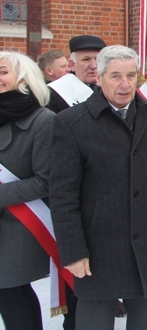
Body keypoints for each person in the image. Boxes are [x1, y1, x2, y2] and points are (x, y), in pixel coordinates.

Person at [49, 45, 147, 330]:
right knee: (94, 321)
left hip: (146, 239)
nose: (125, 85)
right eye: (116, 76)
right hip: (98, 245)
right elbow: (63, 196)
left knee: (143, 320)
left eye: (131, 76)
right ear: (99, 76)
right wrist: (73, 250)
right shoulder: (72, 123)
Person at [0, 52, 54, 330]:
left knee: (11, 292)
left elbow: (46, 180)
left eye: (3, 71)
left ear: (23, 77)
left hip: (21, 223)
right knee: (10, 294)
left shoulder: (43, 120)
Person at [47, 35, 107, 113]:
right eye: (86, 59)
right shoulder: (54, 94)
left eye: (98, 59)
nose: (94, 65)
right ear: (72, 64)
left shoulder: (115, 87)